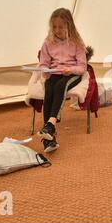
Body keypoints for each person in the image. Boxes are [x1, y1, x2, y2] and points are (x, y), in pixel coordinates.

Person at [38, 8, 87, 153]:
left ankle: (51, 124)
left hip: (72, 74)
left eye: (60, 27)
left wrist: (70, 70)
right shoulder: (48, 42)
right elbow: (43, 63)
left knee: (60, 86)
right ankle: (49, 138)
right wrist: (44, 71)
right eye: (54, 26)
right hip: (54, 73)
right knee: (49, 88)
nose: (57, 30)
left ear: (68, 26)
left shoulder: (76, 42)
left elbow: (82, 66)